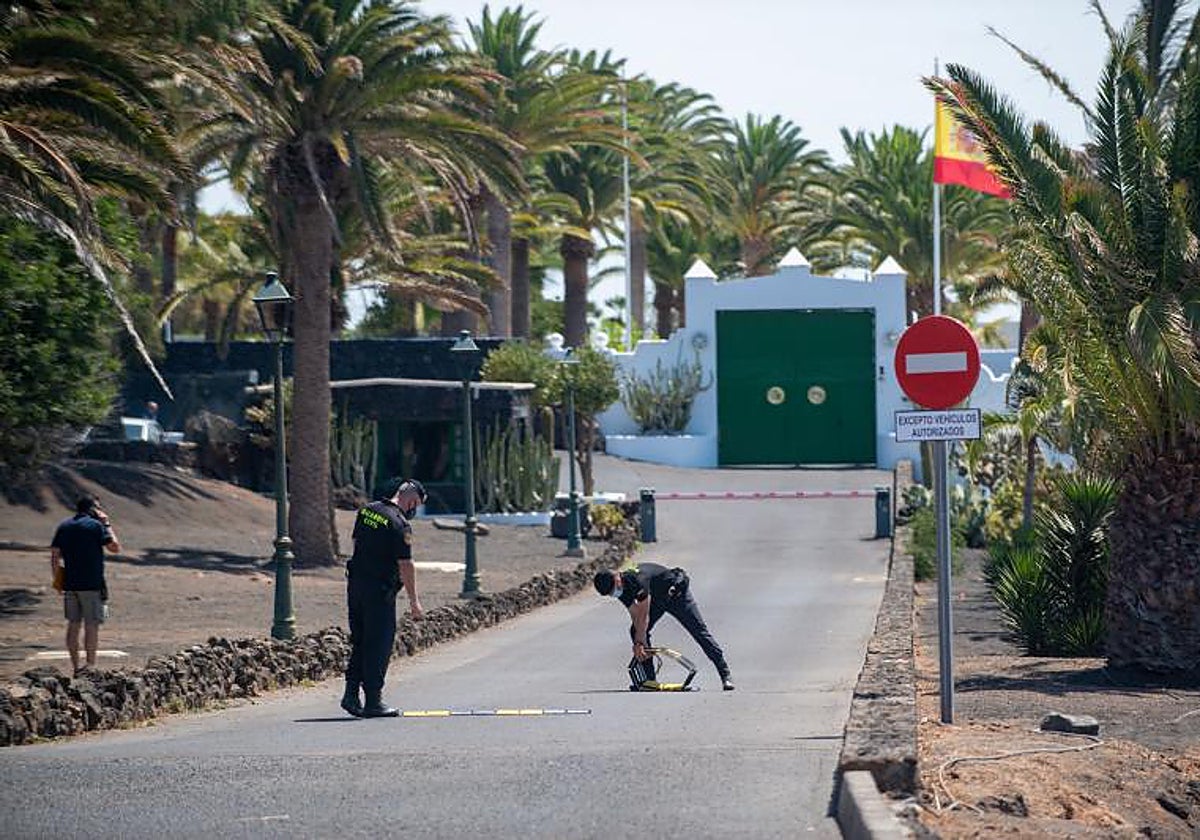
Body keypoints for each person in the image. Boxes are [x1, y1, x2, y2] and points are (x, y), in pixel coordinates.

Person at [342, 478, 426, 718]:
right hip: (379, 592)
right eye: (416, 504)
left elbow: (356, 542)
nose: (414, 510)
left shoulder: (367, 511)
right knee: (378, 645)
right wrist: (414, 601)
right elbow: (406, 564)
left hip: (356, 585)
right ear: (411, 499)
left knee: (360, 640)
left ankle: (350, 694)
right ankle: (373, 701)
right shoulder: (399, 524)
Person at [593, 562, 734, 691]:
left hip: (676, 594)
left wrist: (639, 642)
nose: (614, 593)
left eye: (613, 589)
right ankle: (650, 681)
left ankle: (725, 674)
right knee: (635, 631)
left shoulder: (637, 580)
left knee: (699, 632)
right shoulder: (620, 588)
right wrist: (638, 642)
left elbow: (643, 616)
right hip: (657, 600)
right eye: (610, 593)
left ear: (617, 576)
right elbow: (635, 614)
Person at [50, 496, 121, 675]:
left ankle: (75, 666)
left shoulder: (64, 526)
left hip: (70, 584)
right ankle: (90, 666)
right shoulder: (96, 526)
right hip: (92, 584)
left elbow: (55, 555)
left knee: (73, 624)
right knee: (92, 625)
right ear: (93, 509)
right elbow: (115, 547)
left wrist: (58, 580)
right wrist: (106, 523)